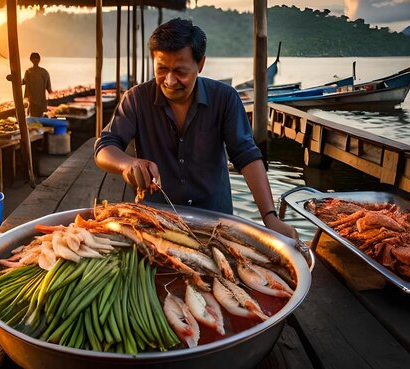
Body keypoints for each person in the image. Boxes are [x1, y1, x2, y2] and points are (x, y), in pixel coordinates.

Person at [94, 18, 297, 239]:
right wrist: (128, 163)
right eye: (161, 69)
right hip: (154, 223)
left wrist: (270, 217)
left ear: (200, 64)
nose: (170, 81)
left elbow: (246, 155)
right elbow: (105, 147)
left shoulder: (225, 98)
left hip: (215, 223)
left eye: (180, 71)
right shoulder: (136, 99)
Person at [23, 52, 52, 117]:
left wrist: (15, 80)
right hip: (42, 102)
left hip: (33, 102)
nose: (35, 60)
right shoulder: (44, 72)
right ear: (40, 59)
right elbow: (49, 89)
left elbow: (23, 82)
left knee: (33, 119)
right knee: (41, 119)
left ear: (30, 60)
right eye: (35, 59)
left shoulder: (29, 72)